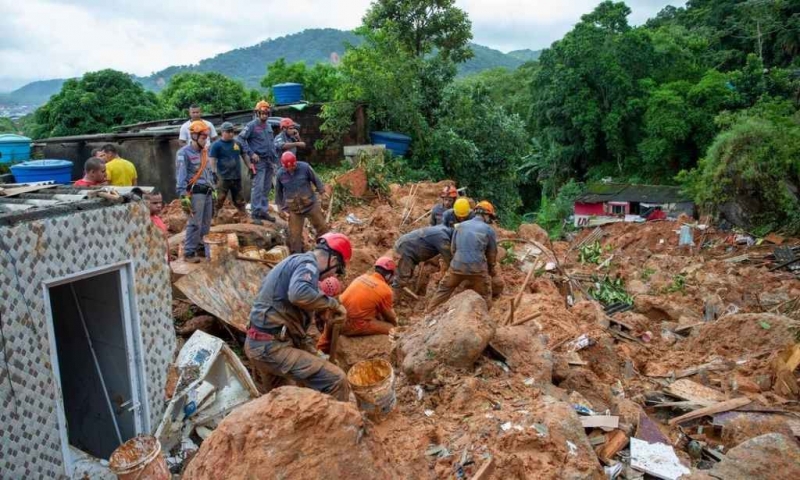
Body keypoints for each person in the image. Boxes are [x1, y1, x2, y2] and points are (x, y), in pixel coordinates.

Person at [245, 232, 353, 401]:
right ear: (333, 261)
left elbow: (300, 329)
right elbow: (298, 294)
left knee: (282, 400)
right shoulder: (308, 264)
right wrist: (334, 304)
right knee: (336, 379)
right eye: (336, 271)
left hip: (259, 344)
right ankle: (342, 427)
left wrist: (316, 355)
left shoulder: (295, 263)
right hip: (271, 347)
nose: (331, 276)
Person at [427, 201, 498, 311]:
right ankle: (485, 320)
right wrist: (492, 270)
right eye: (490, 217)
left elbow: (453, 249)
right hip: (477, 269)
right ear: (486, 215)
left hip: (457, 266)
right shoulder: (489, 230)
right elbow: (492, 254)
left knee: (444, 289)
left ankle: (428, 313)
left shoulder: (460, 226)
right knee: (484, 294)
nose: (490, 220)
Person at [317, 257, 398, 354]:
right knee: (391, 328)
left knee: (325, 340)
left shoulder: (361, 277)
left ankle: (319, 352)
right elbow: (389, 316)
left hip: (336, 316)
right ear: (389, 275)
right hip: (352, 325)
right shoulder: (385, 290)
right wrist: (396, 324)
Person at [176, 121, 216, 263]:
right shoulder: (183, 153)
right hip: (195, 193)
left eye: (207, 137)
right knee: (195, 223)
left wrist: (214, 188)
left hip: (207, 191)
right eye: (203, 137)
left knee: (206, 223)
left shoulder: (205, 152)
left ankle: (201, 248)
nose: (206, 140)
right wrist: (183, 195)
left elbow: (208, 172)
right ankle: (189, 252)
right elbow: (181, 175)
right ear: (194, 136)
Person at [275, 151, 328, 253]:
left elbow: (316, 180)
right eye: (287, 168)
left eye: (292, 166)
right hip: (294, 210)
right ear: (283, 166)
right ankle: (297, 257)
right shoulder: (280, 174)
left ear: (295, 163)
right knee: (295, 237)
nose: (290, 169)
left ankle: (326, 249)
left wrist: (322, 193)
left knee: (322, 228)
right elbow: (278, 193)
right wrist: (280, 208)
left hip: (310, 205)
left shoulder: (305, 167)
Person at [239, 101, 278, 222]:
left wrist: (274, 160)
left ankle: (263, 211)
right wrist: (251, 153)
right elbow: (240, 139)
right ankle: (255, 213)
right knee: (258, 187)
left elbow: (271, 144)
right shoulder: (251, 125)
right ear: (257, 113)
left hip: (269, 161)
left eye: (266, 113)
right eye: (262, 113)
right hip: (259, 161)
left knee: (266, 187)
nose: (264, 115)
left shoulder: (269, 126)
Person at [392, 224, 454, 297]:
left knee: (407, 275)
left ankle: (401, 295)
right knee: (402, 277)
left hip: (408, 246)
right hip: (406, 249)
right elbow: (449, 258)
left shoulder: (444, 230)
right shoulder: (442, 237)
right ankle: (392, 300)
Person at [209, 122, 253, 215]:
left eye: (232, 131)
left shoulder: (237, 143)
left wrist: (249, 166)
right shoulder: (216, 145)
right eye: (228, 131)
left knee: (239, 199)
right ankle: (214, 216)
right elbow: (212, 159)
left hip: (236, 176)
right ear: (222, 132)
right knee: (219, 198)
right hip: (223, 176)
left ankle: (243, 215)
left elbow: (244, 155)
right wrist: (213, 172)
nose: (231, 134)